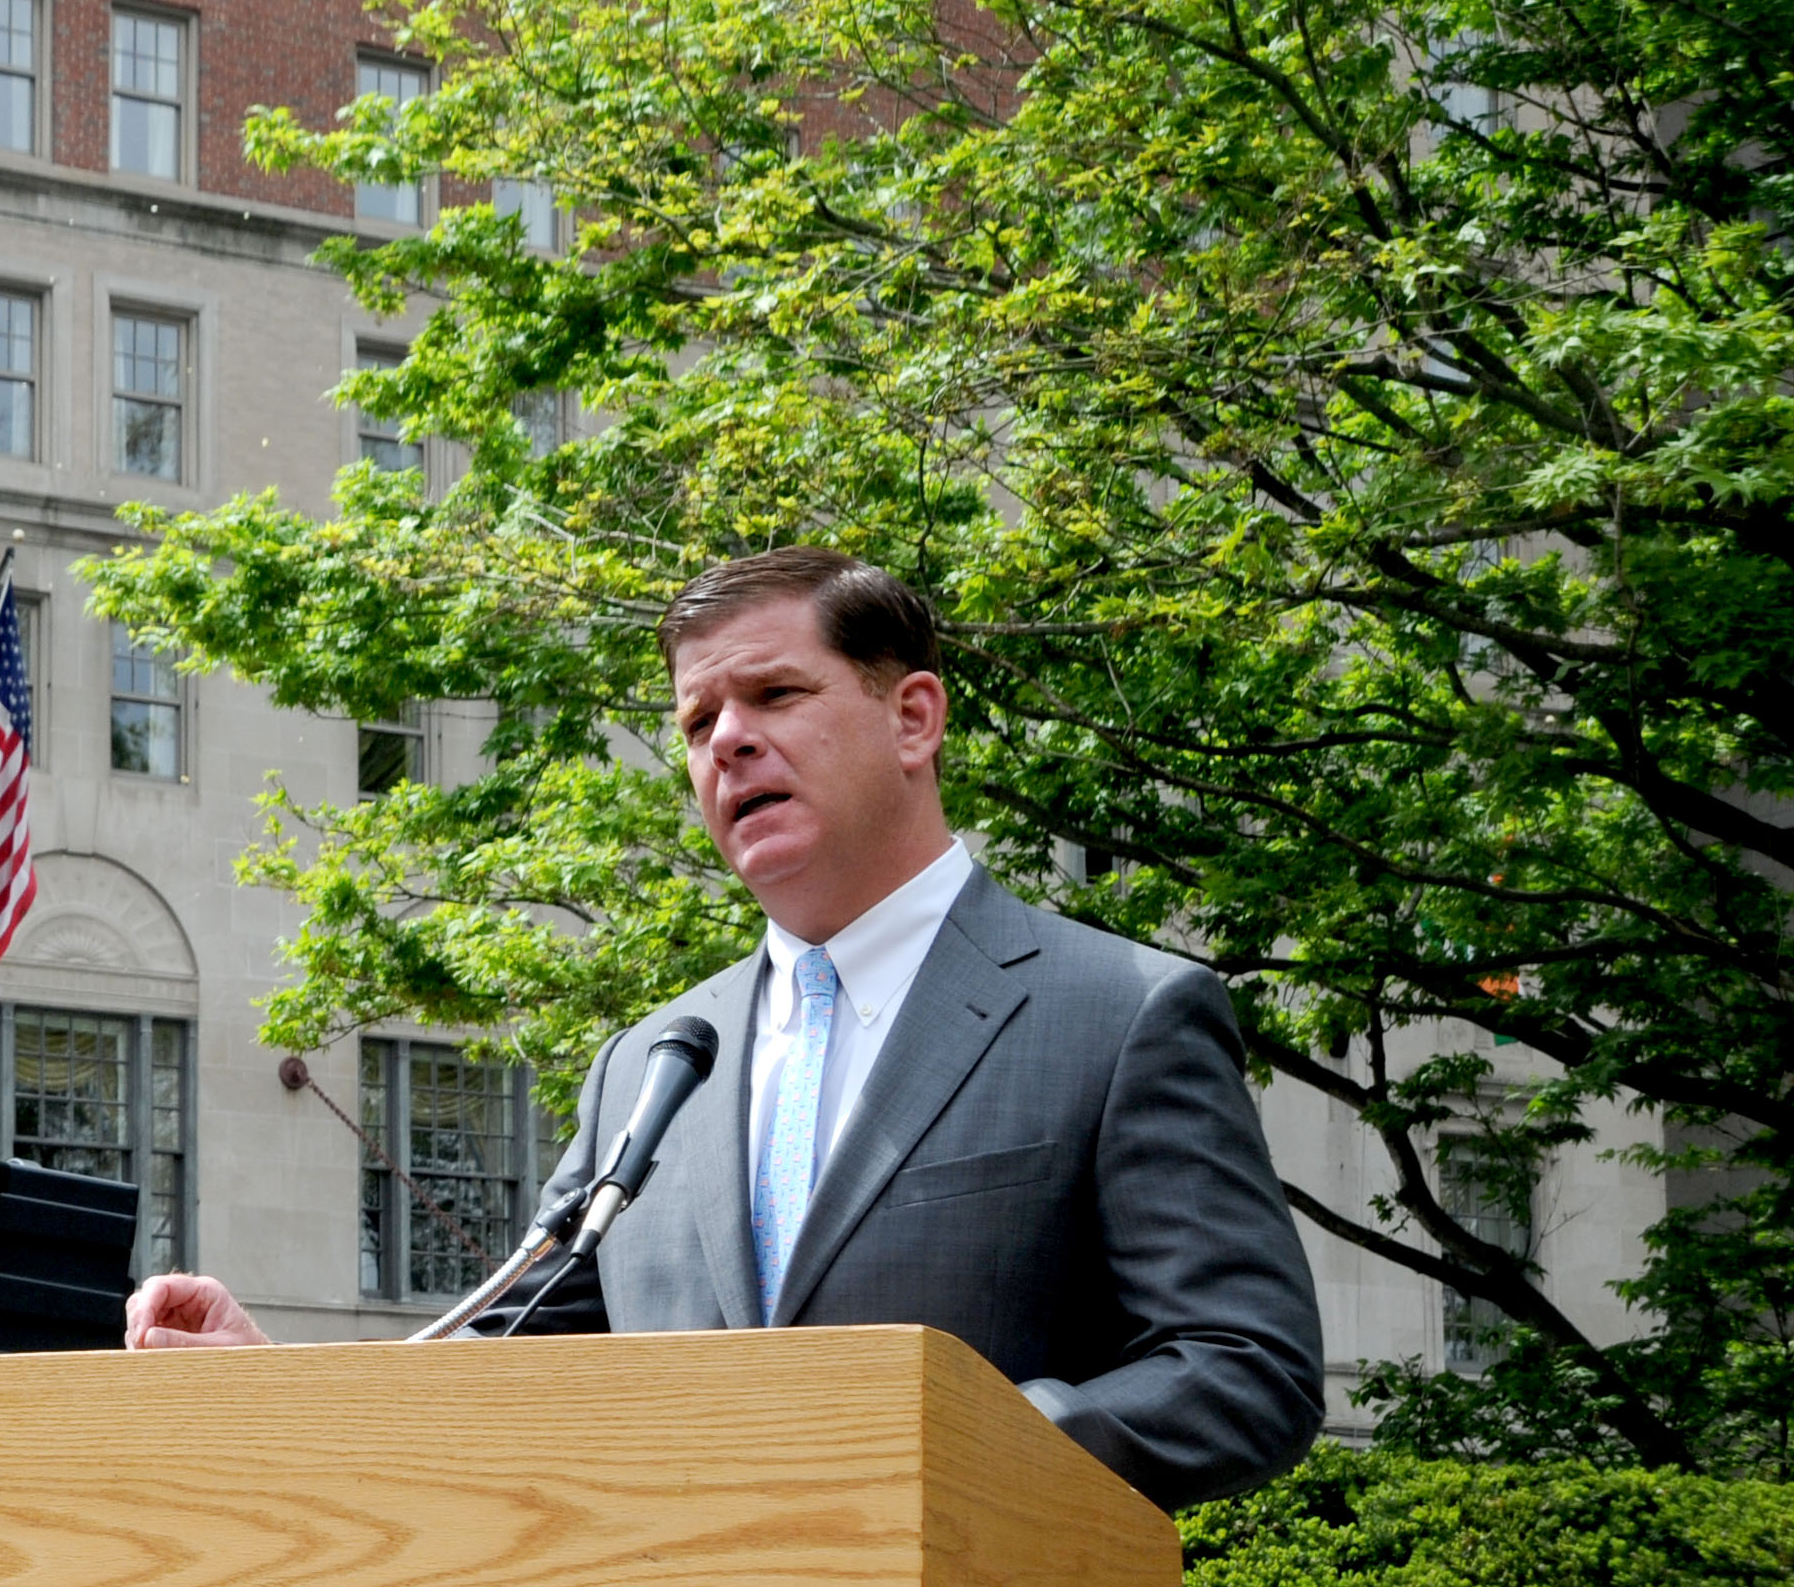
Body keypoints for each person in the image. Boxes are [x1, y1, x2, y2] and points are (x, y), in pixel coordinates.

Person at [129, 546, 1323, 1512]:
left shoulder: (1117, 1014)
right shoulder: (652, 1066)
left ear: (913, 718)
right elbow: (505, 1381)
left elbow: (1241, 1371)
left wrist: (933, 1447)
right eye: (698, 722)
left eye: (774, 695)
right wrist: (272, 1387)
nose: (727, 741)